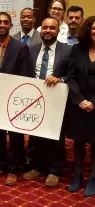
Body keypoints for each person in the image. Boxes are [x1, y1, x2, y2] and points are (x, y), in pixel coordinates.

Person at [0, 12, 32, 186]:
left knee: (16, 136)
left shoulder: (20, 47)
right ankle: (1, 165)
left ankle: (13, 169)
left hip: (15, 100)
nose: (2, 25)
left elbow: (27, 75)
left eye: (6, 22)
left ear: (11, 25)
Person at [22, 18, 71, 187]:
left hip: (57, 99)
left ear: (58, 30)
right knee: (37, 135)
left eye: (52, 28)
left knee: (56, 135)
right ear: (40, 30)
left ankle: (55, 170)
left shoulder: (67, 50)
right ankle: (39, 167)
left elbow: (73, 75)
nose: (48, 30)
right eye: (45, 28)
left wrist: (61, 79)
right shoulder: (31, 49)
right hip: (36, 99)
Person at [67, 16, 95, 197]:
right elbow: (70, 77)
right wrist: (80, 100)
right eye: (94, 28)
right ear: (88, 29)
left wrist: (93, 102)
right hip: (79, 104)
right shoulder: (76, 49)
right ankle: (77, 176)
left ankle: (92, 178)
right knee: (78, 142)